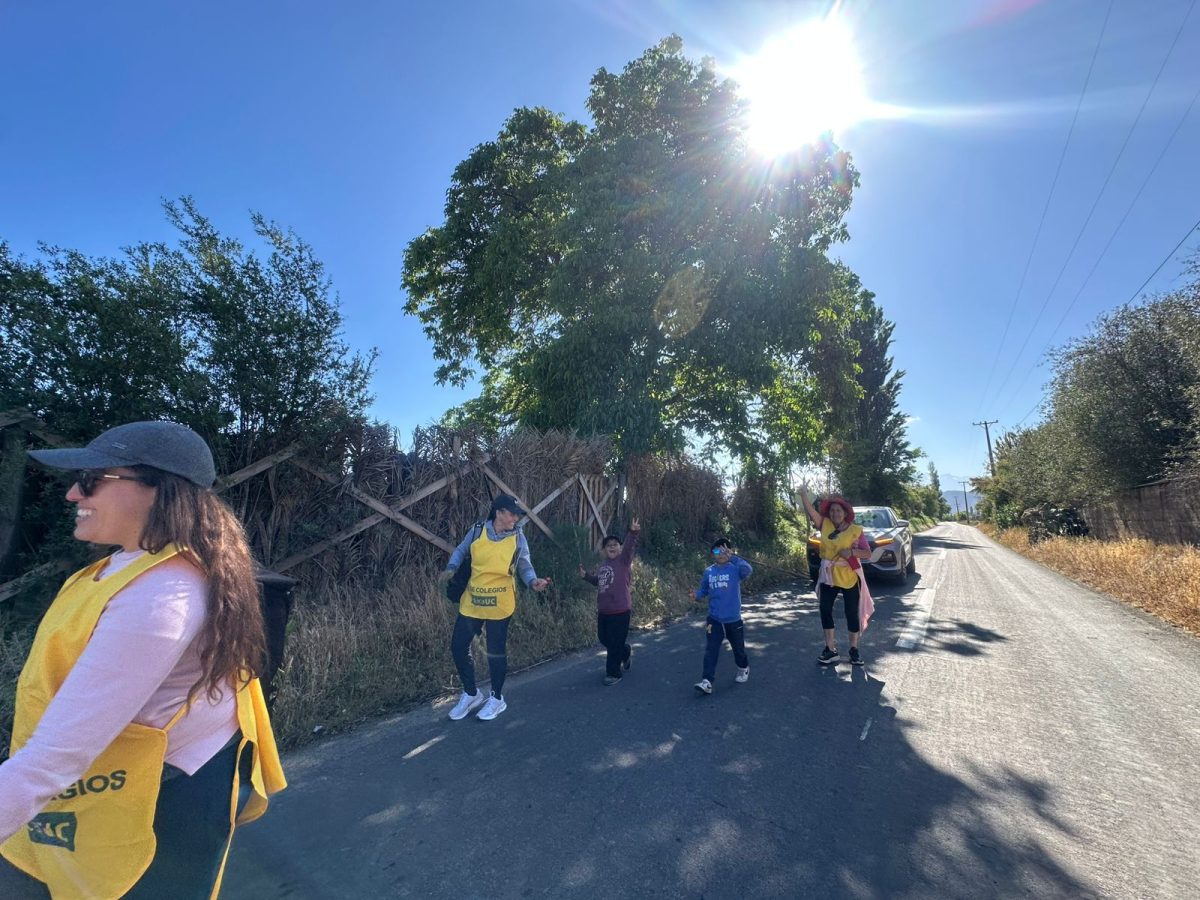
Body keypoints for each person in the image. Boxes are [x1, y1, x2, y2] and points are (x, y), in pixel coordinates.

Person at [0, 421, 286, 899]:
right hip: (137, 773)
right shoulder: (136, 561)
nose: (72, 493)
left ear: (157, 491)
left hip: (160, 793)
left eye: (92, 479)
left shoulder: (162, 596)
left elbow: (57, 754)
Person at [440, 494, 551, 721]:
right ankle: (471, 693)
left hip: (501, 603)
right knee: (458, 646)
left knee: (495, 652)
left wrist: (533, 582)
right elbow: (462, 550)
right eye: (512, 513)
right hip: (472, 601)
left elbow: (524, 565)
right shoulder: (478, 529)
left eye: (517, 514)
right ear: (498, 512)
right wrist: (452, 567)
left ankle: (496, 699)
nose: (515, 518)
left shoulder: (518, 537)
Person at [800, 488, 872, 666]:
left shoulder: (856, 530)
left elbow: (867, 553)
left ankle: (854, 650)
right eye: (832, 510)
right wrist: (803, 496)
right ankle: (830, 649)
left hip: (849, 576)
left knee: (851, 613)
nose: (835, 513)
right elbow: (811, 512)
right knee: (825, 609)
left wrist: (852, 552)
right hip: (828, 575)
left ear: (846, 513)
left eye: (838, 510)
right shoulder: (825, 524)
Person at [578, 518, 640, 685]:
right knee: (605, 639)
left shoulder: (624, 561)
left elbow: (629, 547)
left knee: (614, 644)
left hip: (620, 611)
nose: (612, 547)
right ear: (604, 550)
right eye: (608, 545)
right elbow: (599, 581)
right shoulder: (604, 564)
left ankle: (614, 673)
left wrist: (633, 532)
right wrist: (586, 577)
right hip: (604, 611)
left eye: (615, 544)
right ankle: (625, 652)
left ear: (620, 548)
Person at [691, 538, 753, 695]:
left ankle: (743, 668)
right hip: (714, 619)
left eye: (725, 550)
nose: (721, 554)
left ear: (730, 552)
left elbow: (748, 570)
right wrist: (696, 595)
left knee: (738, 649)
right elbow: (704, 590)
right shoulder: (709, 572)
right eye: (717, 551)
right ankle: (707, 681)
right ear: (712, 554)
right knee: (711, 649)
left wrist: (734, 557)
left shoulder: (735, 569)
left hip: (733, 618)